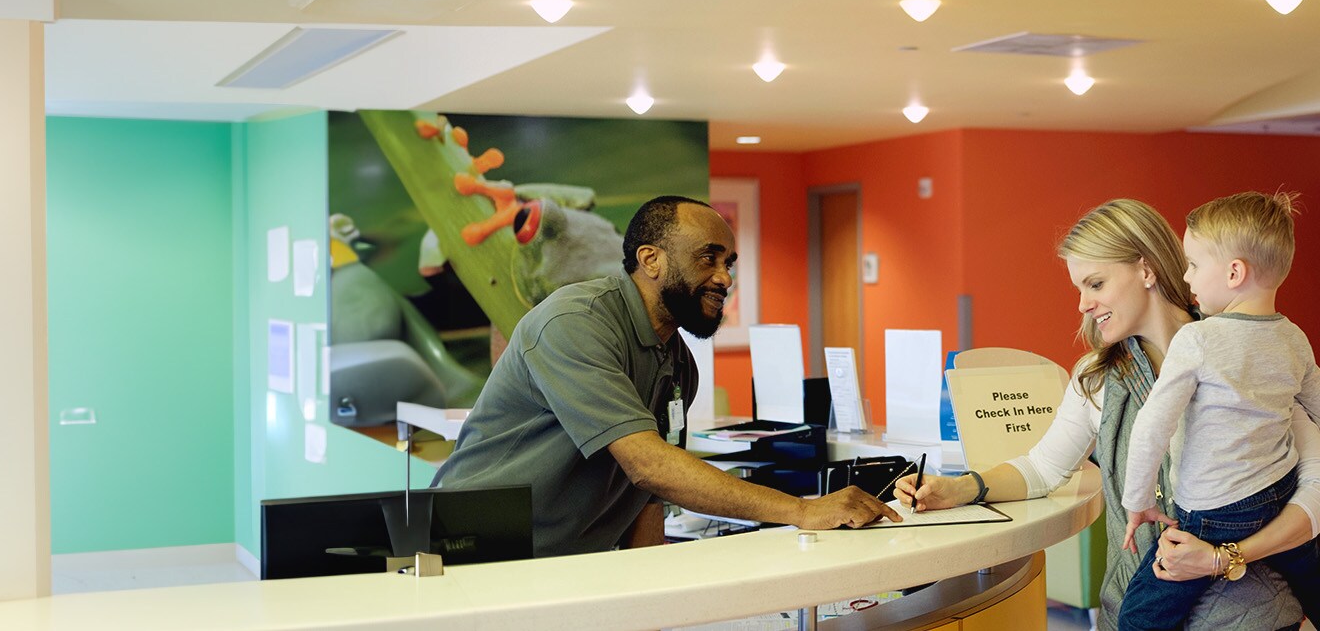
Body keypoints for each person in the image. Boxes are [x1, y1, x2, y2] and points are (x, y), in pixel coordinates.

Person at [893, 199, 1320, 631]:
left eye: (1095, 284)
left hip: (1249, 618)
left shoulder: (1249, 358)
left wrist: (1222, 558)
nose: (1083, 304)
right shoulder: (1097, 378)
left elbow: (1314, 490)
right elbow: (1042, 468)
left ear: (1146, 269)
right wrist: (960, 488)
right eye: (1079, 289)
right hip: (1131, 608)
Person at [433, 195, 899, 556]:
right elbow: (648, 463)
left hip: (567, 563)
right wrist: (801, 510)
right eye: (708, 258)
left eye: (728, 263)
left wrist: (652, 601)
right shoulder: (574, 324)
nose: (724, 278)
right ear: (650, 259)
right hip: (477, 554)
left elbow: (650, 491)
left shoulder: (678, 364)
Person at [1117, 193, 1320, 629]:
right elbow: (1317, 406)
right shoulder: (1295, 338)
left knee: (1138, 615)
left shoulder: (1198, 340)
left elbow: (1152, 425)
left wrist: (1137, 501)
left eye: (1192, 264)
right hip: (1280, 494)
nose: (1186, 276)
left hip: (1213, 513)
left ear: (1234, 273)